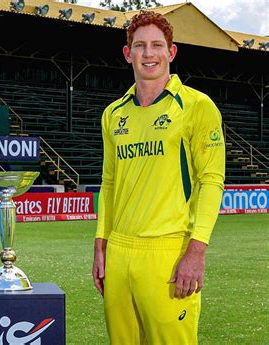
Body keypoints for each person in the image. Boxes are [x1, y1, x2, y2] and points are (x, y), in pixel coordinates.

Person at [92, 10, 225, 344]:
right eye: (139, 46)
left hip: (168, 252)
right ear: (127, 54)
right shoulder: (113, 113)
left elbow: (212, 181)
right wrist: (101, 246)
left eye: (156, 45)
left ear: (171, 52)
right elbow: (108, 183)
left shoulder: (197, 106)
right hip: (119, 253)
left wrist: (196, 252)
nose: (148, 54)